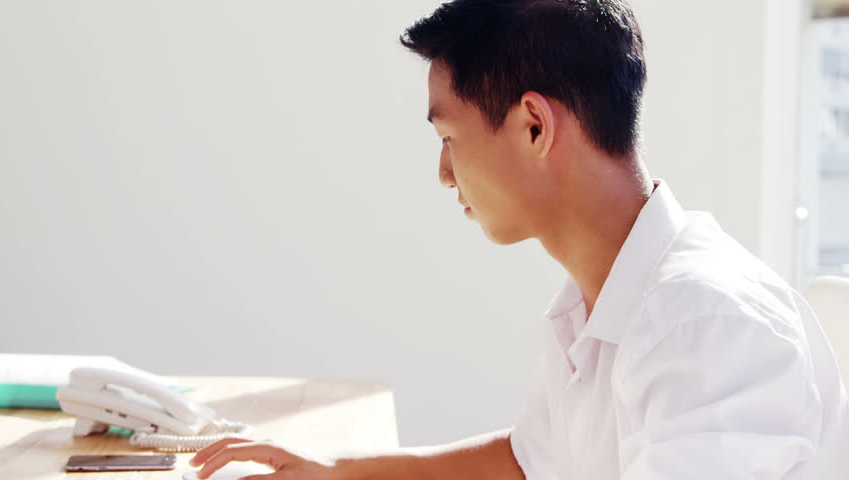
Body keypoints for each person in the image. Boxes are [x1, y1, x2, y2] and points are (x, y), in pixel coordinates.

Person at [190, 1, 849, 478]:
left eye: (449, 139)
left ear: (533, 125)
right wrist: (337, 472)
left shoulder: (702, 323)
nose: (443, 173)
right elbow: (530, 460)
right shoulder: (596, 303)